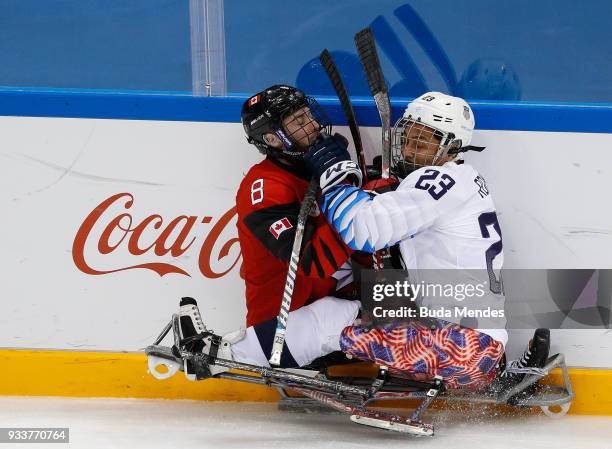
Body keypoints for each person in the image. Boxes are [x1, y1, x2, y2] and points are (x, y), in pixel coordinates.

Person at [304, 91, 549, 390]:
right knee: (354, 306)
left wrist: (336, 181)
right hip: (479, 350)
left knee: (327, 321)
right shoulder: (465, 178)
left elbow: (362, 231)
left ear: (452, 148)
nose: (408, 149)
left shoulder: (435, 180)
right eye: (407, 138)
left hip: (455, 348)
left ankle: (244, 355)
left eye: (421, 142)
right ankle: (497, 377)